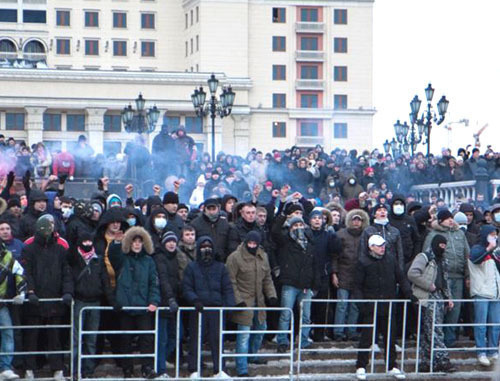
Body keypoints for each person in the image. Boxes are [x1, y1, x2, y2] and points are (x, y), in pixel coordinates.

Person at [22, 216, 73, 381]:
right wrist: (30, 291)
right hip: (35, 300)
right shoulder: (29, 248)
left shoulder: (60, 249)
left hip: (55, 299)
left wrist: (67, 292)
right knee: (32, 336)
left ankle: (57, 368)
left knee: (55, 336)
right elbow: (26, 272)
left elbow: (66, 272)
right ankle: (29, 368)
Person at [354, 234, 408, 381]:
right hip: (371, 306)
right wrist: (361, 304)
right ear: (371, 247)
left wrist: (409, 293)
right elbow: (357, 285)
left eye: (383, 245)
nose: (382, 248)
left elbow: (401, 277)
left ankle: (392, 366)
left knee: (390, 337)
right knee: (367, 338)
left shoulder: (391, 259)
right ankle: (361, 366)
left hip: (388, 305)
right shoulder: (363, 262)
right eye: (379, 245)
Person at [108, 226, 160, 379]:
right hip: (126, 307)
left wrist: (154, 301)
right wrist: (116, 243)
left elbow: (154, 283)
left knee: (147, 339)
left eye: (140, 241)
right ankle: (127, 369)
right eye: (134, 241)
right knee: (125, 339)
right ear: (129, 243)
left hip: (144, 307)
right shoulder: (123, 258)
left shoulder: (149, 261)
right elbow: (113, 256)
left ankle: (147, 367)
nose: (137, 244)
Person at [226, 231, 277, 377]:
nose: (252, 246)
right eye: (250, 243)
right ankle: (241, 367)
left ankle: (252, 355)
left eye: (255, 244)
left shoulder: (263, 256)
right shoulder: (235, 257)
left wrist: (272, 295)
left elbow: (267, 278)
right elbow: (231, 281)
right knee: (244, 335)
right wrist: (238, 300)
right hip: (244, 301)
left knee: (261, 328)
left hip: (259, 301)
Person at [182, 236, 235, 379]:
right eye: (203, 247)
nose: (207, 250)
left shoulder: (220, 267)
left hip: (216, 309)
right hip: (198, 309)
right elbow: (186, 287)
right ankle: (194, 369)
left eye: (209, 247)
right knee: (195, 339)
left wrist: (228, 307)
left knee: (217, 339)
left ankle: (220, 369)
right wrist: (194, 300)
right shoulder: (191, 267)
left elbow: (227, 289)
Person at [407, 235, 456, 373]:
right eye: (441, 245)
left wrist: (448, 298)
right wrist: (430, 286)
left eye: (444, 246)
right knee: (435, 330)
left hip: (438, 297)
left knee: (430, 331)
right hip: (427, 297)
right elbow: (412, 273)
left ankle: (427, 361)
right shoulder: (424, 257)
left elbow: (445, 280)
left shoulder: (443, 260)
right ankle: (442, 360)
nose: (443, 248)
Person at [69, 232, 114, 378]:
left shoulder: (98, 260)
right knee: (76, 339)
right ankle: (74, 370)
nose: (87, 244)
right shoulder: (73, 259)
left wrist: (112, 300)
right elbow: (68, 278)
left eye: (90, 241)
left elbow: (105, 282)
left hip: (95, 302)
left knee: (91, 339)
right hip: (79, 302)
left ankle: (88, 371)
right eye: (85, 241)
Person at [423, 209, 470, 347]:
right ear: (440, 220)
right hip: (441, 277)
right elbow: (426, 255)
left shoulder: (460, 234)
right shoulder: (433, 235)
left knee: (455, 309)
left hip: (458, 277)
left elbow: (467, 254)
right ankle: (438, 340)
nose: (450, 220)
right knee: (440, 309)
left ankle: (449, 339)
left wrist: (467, 275)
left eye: (451, 217)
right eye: (447, 218)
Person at [272, 214, 318, 352]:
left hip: (305, 286)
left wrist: (314, 285)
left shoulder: (310, 243)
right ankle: (282, 341)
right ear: (290, 228)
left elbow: (314, 266)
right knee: (286, 314)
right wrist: (284, 214)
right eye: (295, 225)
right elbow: (275, 231)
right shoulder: (286, 242)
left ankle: (303, 340)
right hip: (290, 284)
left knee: (306, 316)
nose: (298, 228)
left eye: (300, 225)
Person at [332, 208, 369, 341]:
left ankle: (352, 331)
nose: (356, 222)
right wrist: (334, 273)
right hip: (343, 273)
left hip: (359, 275)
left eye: (359, 220)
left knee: (355, 305)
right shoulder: (340, 234)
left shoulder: (366, 235)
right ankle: (338, 331)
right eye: (354, 219)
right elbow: (334, 256)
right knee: (342, 305)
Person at [469, 225, 500, 367]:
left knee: (495, 324)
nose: (495, 237)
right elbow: (475, 260)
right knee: (481, 324)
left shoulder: (494, 253)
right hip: (481, 292)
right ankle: (481, 352)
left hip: (495, 293)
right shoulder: (477, 249)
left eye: (496, 234)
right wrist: (489, 249)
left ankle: (493, 351)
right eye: (492, 234)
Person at [153, 231, 181, 378]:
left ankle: (160, 360)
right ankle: (160, 369)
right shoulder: (160, 258)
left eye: (174, 241)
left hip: (174, 301)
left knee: (177, 335)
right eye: (169, 241)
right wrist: (170, 298)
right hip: (163, 302)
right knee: (162, 338)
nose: (171, 244)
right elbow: (163, 279)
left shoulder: (176, 257)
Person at [0, 241, 26, 380]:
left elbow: (20, 273)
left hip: (2, 304)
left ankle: (5, 367)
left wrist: (21, 293)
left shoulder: (8, 257)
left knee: (8, 333)